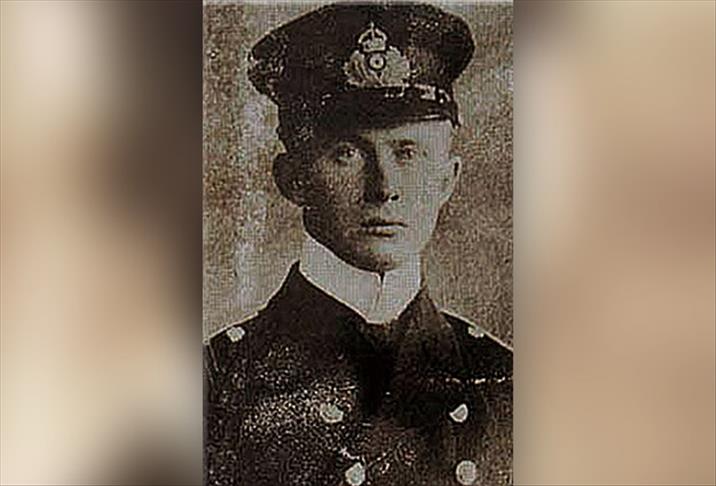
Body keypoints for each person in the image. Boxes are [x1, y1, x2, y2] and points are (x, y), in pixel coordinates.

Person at [205, 3, 512, 485]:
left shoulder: (504, 385)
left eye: (408, 153)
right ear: (293, 178)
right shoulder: (216, 384)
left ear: (447, 179)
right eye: (347, 153)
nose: (384, 188)